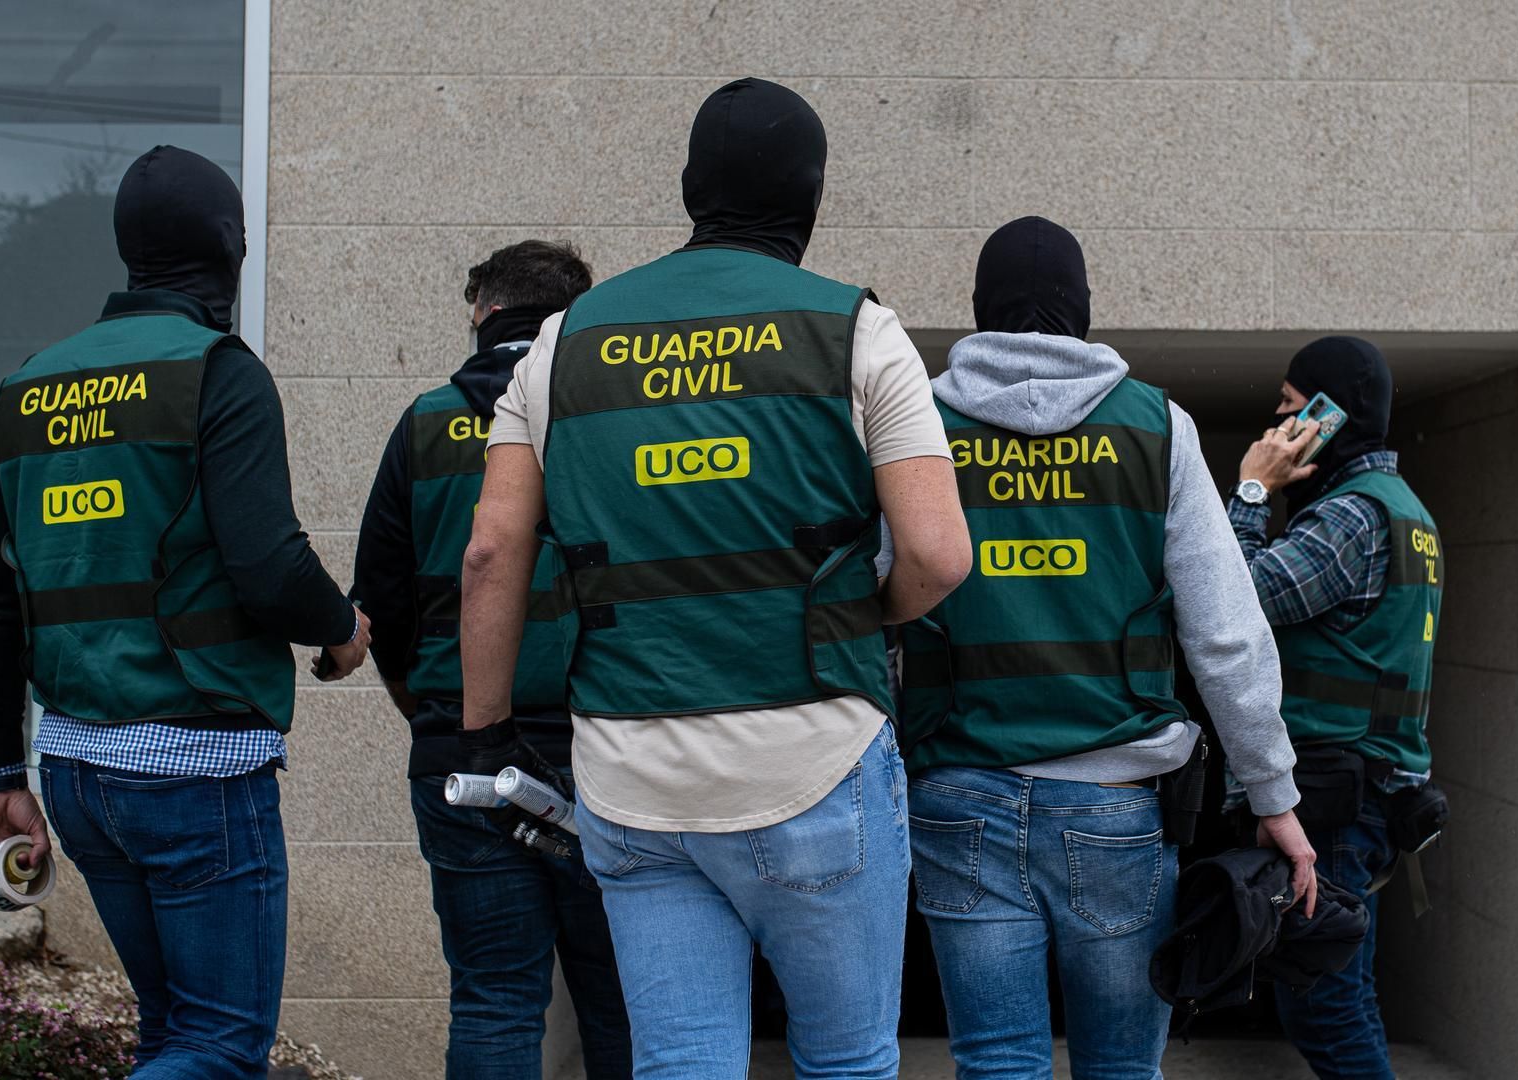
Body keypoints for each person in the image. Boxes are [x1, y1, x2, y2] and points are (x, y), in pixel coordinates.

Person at [456, 78, 971, 1078]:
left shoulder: (561, 343)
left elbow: (489, 553)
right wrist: (865, 618)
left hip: (630, 772)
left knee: (681, 1065)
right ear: (812, 199)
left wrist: (486, 730)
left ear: (692, 189)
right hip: (815, 754)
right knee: (849, 1062)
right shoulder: (856, 329)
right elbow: (940, 555)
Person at [0, 145, 369, 1080]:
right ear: (229, 248)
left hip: (77, 774)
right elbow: (269, 567)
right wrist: (342, 628)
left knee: (170, 1036)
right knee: (221, 1048)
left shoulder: (29, 386)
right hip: (198, 773)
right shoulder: (218, 372)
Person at [896, 216, 1318, 1080]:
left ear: (982, 310)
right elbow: (1226, 633)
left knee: (996, 1065)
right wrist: (1274, 796)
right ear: (1084, 312)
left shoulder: (920, 423)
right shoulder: (1155, 426)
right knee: (1123, 1069)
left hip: (957, 795)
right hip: (1116, 809)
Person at [351, 240, 633, 1078]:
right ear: (572, 321)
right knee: (620, 998)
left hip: (461, 756)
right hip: (606, 757)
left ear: (482, 311)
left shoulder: (425, 422)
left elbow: (383, 604)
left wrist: (439, 714)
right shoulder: (608, 422)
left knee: (494, 998)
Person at [1230, 336, 1443, 1080]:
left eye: (1290, 409)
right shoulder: (1403, 510)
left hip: (1339, 803)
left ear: (1329, 417)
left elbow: (1234, 599)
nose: (1275, 427)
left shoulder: (1352, 518)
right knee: (1341, 994)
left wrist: (1252, 490)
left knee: (1326, 1006)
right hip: (1367, 792)